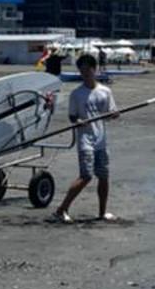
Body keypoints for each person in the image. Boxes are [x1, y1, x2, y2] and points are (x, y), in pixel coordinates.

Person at [50, 52, 119, 224]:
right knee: (86, 176)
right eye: (82, 71)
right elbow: (72, 116)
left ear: (94, 70)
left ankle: (102, 212)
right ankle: (61, 209)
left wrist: (114, 115)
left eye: (88, 70)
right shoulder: (76, 94)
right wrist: (78, 121)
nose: (86, 74)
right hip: (85, 141)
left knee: (103, 176)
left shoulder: (105, 91)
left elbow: (110, 114)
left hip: (101, 140)